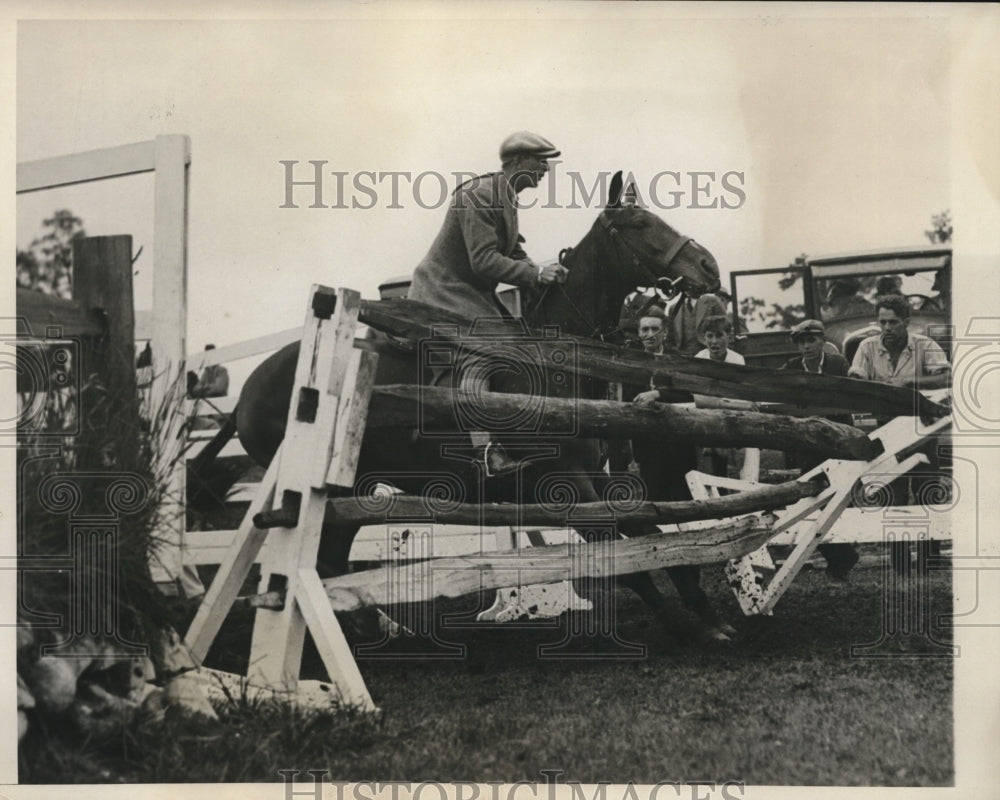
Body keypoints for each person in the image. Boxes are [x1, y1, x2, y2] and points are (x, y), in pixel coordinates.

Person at [408, 131, 569, 476]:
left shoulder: (506, 197)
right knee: (480, 352)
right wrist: (535, 274)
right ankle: (485, 450)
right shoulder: (479, 196)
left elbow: (512, 253)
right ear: (517, 162)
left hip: (469, 292)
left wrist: (544, 272)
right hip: (443, 291)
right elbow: (483, 261)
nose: (546, 169)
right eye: (541, 161)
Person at [848, 294, 951, 575]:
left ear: (907, 321)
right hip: (885, 433)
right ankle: (902, 565)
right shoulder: (867, 347)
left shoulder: (925, 345)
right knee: (893, 495)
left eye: (893, 322)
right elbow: (855, 380)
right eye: (882, 322)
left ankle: (930, 559)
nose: (887, 328)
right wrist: (860, 384)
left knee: (928, 491)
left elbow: (946, 378)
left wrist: (909, 382)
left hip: (921, 430)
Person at [780, 319, 859, 580]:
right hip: (809, 442)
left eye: (811, 340)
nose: (806, 346)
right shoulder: (792, 368)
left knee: (841, 497)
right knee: (811, 500)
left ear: (822, 341)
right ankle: (841, 556)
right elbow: (776, 389)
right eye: (801, 342)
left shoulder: (837, 364)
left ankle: (842, 559)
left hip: (838, 441)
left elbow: (850, 393)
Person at [665, 288, 727, 357]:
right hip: (683, 358)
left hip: (707, 357)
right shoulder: (674, 308)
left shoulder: (712, 302)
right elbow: (670, 340)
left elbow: (726, 330)